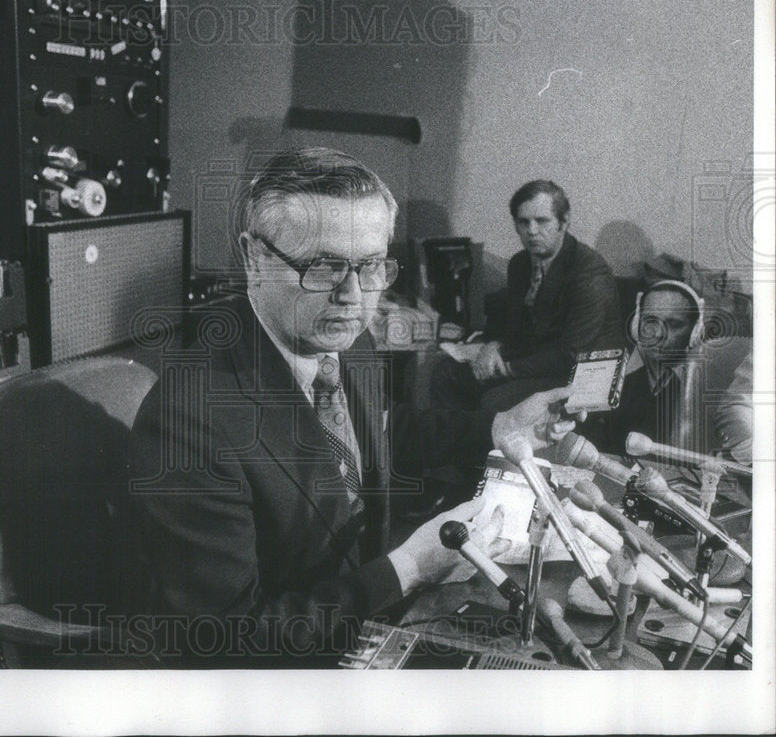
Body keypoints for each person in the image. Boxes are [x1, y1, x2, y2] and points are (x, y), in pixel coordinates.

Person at [128, 148, 577, 666]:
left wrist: (499, 424)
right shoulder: (187, 421)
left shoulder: (341, 338)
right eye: (322, 267)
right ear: (254, 257)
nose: (354, 295)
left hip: (361, 625)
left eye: (370, 266)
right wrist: (408, 568)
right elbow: (229, 635)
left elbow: (376, 431)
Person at [430, 179, 623, 413]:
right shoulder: (520, 264)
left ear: (564, 222)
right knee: (445, 375)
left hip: (580, 376)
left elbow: (571, 354)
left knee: (494, 401)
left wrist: (506, 368)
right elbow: (513, 324)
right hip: (534, 364)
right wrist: (493, 346)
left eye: (542, 221)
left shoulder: (589, 271)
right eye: (523, 222)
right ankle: (458, 449)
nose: (531, 231)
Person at [581, 279, 706, 456]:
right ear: (637, 323)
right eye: (650, 321)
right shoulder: (604, 367)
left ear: (695, 331)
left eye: (675, 324)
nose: (659, 334)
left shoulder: (700, 384)